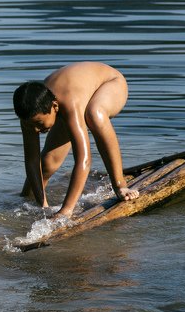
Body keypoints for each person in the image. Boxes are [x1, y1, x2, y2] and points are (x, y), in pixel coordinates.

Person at [13, 61, 139, 218]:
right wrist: (42, 206)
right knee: (47, 163)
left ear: (55, 107)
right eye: (30, 126)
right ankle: (25, 199)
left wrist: (66, 211)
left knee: (94, 114)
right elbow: (32, 161)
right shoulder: (29, 111)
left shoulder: (69, 104)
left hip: (111, 84)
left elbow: (83, 161)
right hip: (73, 94)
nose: (36, 131)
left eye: (39, 124)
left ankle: (120, 185)